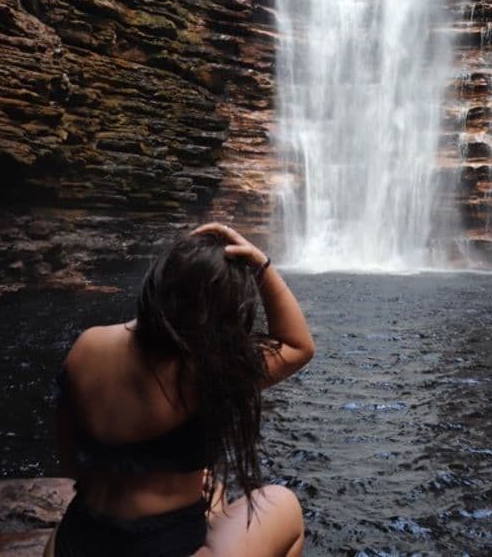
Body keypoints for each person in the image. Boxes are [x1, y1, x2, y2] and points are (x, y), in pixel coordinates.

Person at [44, 223, 315, 557]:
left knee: (213, 487)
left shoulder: (86, 345)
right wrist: (262, 266)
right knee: (284, 506)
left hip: (74, 544)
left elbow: (69, 467)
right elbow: (298, 345)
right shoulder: (207, 371)